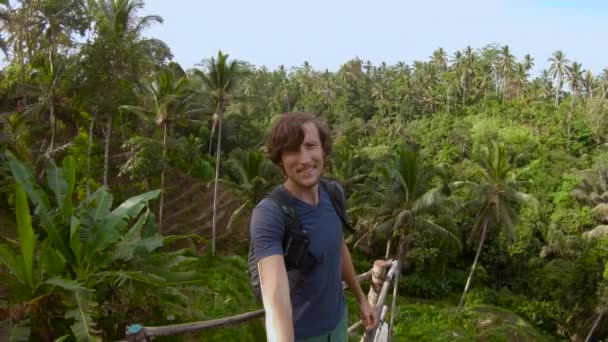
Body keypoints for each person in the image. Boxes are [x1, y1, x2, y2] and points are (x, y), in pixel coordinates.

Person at [250, 112, 378, 341]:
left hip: (338, 324)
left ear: (323, 150)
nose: (304, 159)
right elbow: (276, 299)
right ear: (280, 159)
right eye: (291, 150)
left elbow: (338, 248)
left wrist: (361, 299)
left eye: (310, 146)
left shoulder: (333, 193)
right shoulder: (269, 214)